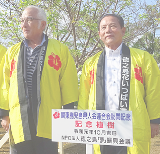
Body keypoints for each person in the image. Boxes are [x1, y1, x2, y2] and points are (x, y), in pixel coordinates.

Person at [0, 5, 78, 154]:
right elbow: (5, 85)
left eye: (29, 19)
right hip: (19, 119)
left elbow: (68, 82)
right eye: (22, 20)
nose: (23, 24)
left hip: (47, 119)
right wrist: (4, 115)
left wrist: (67, 114)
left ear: (42, 24)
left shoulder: (59, 49)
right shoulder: (12, 52)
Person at [78, 13, 160, 154]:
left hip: (133, 123)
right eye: (103, 28)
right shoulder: (90, 63)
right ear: (99, 34)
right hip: (101, 125)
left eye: (113, 26)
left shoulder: (142, 58)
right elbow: (84, 95)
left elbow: (154, 90)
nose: (108, 30)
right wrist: (81, 122)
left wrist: (155, 120)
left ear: (123, 30)